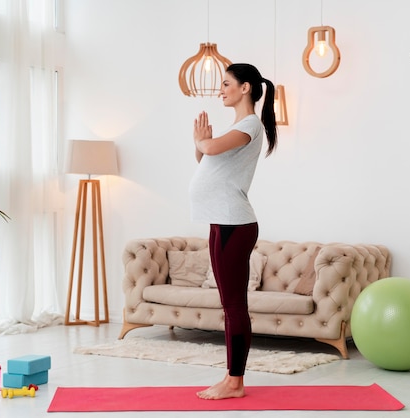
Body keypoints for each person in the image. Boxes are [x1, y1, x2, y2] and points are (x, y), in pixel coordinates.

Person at [189, 63, 278, 400]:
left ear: (245, 88)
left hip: (234, 223)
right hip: (221, 221)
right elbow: (206, 159)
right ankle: (231, 378)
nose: (220, 90)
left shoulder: (250, 124)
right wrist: (200, 143)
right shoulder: (238, 126)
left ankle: (235, 382)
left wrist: (204, 142)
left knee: (235, 307)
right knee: (229, 305)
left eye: (226, 84)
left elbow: (210, 149)